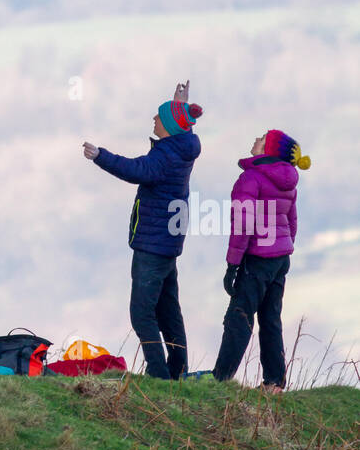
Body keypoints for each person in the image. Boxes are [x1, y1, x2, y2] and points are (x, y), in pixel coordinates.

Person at [83, 82, 203, 380]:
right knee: (167, 310)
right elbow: (181, 127)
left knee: (142, 313)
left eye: (159, 117)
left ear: (170, 126)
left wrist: (100, 156)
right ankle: (177, 371)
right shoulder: (182, 146)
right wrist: (180, 105)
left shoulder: (165, 157)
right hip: (167, 242)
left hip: (153, 243)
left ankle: (159, 374)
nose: (154, 119)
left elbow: (135, 169)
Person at [213, 129, 310, 390]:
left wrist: (233, 264)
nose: (255, 139)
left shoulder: (251, 178)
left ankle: (220, 379)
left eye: (262, 138)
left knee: (239, 316)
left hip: (256, 259)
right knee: (270, 319)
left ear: (268, 150)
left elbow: (243, 223)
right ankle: (275, 383)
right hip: (279, 258)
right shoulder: (289, 181)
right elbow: (292, 221)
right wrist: (281, 247)